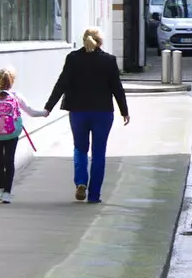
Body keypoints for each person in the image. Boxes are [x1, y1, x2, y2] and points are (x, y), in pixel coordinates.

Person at [45, 27, 130, 204]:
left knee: (80, 148)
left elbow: (61, 84)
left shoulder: (73, 58)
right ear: (100, 42)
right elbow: (117, 88)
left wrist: (48, 107)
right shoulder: (109, 61)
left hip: (78, 112)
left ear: (84, 40)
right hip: (103, 113)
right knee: (99, 153)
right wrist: (124, 111)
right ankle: (94, 195)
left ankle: (81, 182)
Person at [0, 67, 48, 204]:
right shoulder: (15, 96)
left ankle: (0, 188)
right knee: (9, 160)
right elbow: (31, 112)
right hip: (11, 133)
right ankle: (7, 193)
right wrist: (45, 113)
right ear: (12, 81)